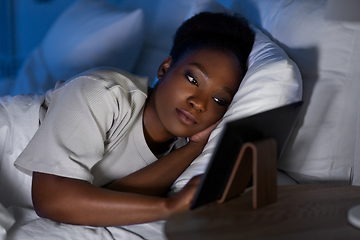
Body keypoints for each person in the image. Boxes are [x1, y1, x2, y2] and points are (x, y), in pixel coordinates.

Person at [13, 12, 255, 226]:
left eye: (219, 100)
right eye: (192, 79)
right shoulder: (103, 91)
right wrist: (168, 208)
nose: (199, 103)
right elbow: (53, 199)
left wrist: (194, 147)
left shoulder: (183, 146)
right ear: (165, 67)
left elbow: (106, 196)